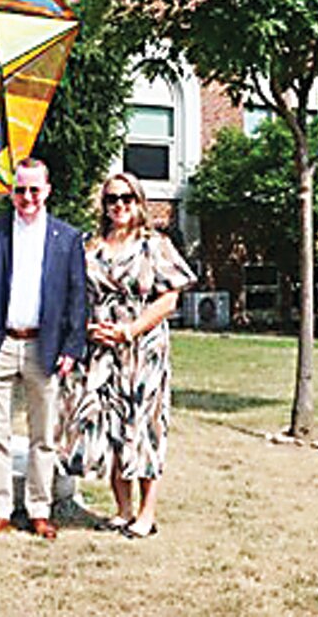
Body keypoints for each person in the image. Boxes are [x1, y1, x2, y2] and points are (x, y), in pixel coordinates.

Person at [62, 171, 195, 539]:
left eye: (126, 198)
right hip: (101, 348)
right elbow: (76, 295)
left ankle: (146, 514)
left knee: (145, 425)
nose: (119, 205)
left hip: (143, 347)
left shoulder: (156, 245)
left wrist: (130, 330)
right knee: (111, 427)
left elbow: (169, 300)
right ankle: (121, 509)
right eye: (111, 199)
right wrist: (87, 328)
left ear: (139, 202)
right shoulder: (90, 247)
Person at [0, 157, 87, 540]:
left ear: (48, 190)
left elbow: (76, 298)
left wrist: (71, 346)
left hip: (45, 348)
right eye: (21, 190)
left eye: (35, 189)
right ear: (12, 192)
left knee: (43, 437)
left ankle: (39, 509)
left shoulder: (67, 239)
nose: (28, 197)